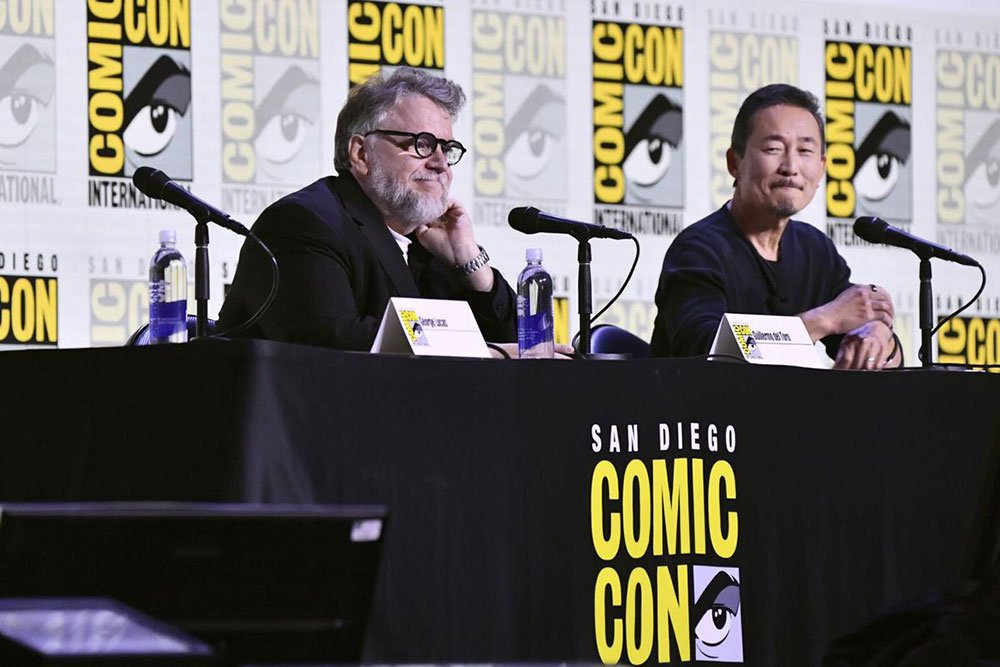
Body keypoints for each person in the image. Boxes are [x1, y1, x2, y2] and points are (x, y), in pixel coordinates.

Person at [218, 67, 517, 351]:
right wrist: (483, 353)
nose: (440, 163)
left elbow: (520, 349)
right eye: (422, 144)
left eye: (447, 149)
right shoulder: (303, 224)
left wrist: (470, 263)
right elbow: (332, 343)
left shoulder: (434, 245)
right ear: (361, 153)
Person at [649, 83, 900, 370]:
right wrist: (825, 319)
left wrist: (878, 335)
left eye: (805, 150)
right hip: (704, 413)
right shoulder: (698, 250)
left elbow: (871, 341)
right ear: (735, 162)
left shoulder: (815, 250)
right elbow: (707, 352)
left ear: (821, 169)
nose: (790, 166)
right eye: (773, 148)